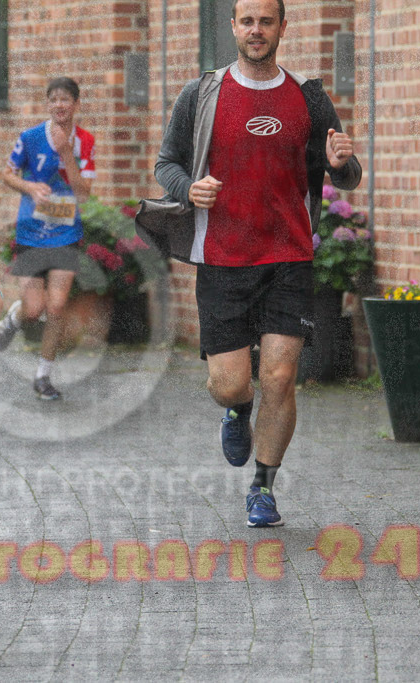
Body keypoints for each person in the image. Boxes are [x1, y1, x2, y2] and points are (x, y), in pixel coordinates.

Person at [151, 0, 361, 527]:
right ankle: (236, 408)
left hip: (289, 254)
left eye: (266, 21)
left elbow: (345, 173)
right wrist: (188, 187)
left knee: (282, 375)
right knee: (228, 381)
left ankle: (263, 486)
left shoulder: (308, 98)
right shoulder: (202, 94)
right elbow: (166, 163)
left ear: (282, 27)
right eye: (247, 21)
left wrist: (343, 163)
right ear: (233, 27)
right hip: (222, 257)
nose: (256, 30)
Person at [0, 77, 96, 401]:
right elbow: (7, 173)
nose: (60, 105)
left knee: (58, 305)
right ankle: (16, 317)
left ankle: (43, 375)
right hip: (32, 232)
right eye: (54, 99)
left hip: (66, 231)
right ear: (48, 104)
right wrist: (30, 187)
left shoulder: (85, 142)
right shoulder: (30, 137)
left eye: (66, 99)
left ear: (76, 105)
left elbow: (84, 193)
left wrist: (67, 154)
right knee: (35, 309)